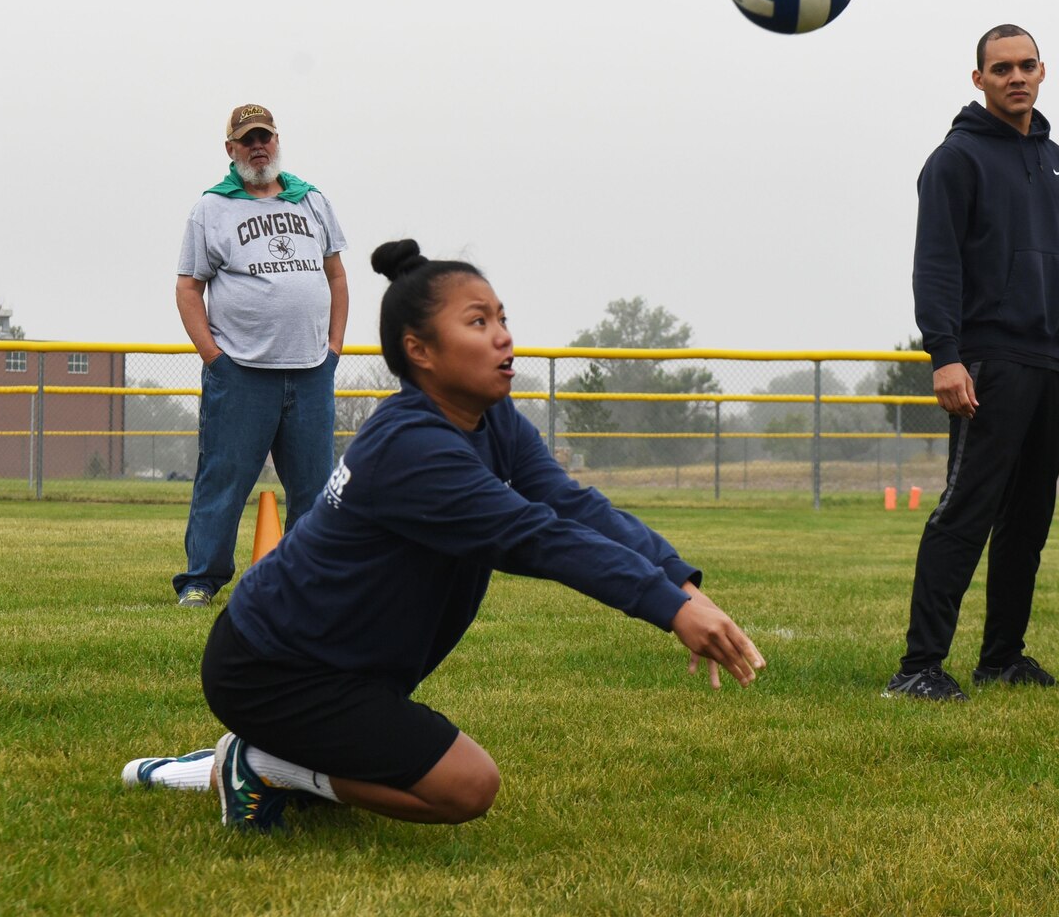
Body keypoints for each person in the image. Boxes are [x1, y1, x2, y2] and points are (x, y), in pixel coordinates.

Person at [124, 240, 765, 831]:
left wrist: (681, 582)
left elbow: (570, 505)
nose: (504, 337)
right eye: (478, 322)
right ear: (420, 351)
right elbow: (536, 536)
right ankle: (262, 766)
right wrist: (670, 610)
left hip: (349, 670)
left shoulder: (490, 420)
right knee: (466, 787)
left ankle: (263, 760)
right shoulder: (412, 448)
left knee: (430, 768)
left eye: (502, 318)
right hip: (273, 670)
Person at [888, 24, 1059, 701]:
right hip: (986, 360)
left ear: (1043, 71)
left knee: (1029, 519)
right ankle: (918, 667)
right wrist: (945, 355)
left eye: (1027, 65)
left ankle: (1002, 656)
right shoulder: (955, 159)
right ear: (978, 79)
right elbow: (934, 265)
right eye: (1001, 68)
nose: (1016, 77)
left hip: (1049, 362)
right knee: (965, 512)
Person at [172, 104, 348, 608]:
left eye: (265, 137)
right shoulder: (212, 207)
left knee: (314, 488)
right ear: (230, 150)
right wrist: (214, 358)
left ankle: (308, 581)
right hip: (242, 373)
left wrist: (333, 350)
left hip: (312, 370)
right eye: (247, 139)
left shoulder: (310, 200)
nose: (258, 147)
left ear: (277, 141)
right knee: (223, 481)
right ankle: (201, 581)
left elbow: (336, 276)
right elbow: (188, 288)